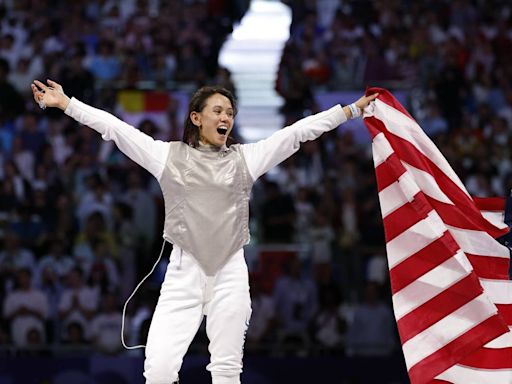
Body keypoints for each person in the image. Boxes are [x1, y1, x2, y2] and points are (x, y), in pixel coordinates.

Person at [31, 78, 378, 384]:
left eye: (229, 111)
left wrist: (349, 111)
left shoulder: (246, 159)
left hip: (230, 271)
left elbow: (298, 133)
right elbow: (116, 129)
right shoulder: (167, 157)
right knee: (160, 370)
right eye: (217, 110)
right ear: (196, 118)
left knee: (227, 370)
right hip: (183, 273)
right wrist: (68, 104)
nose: (225, 117)